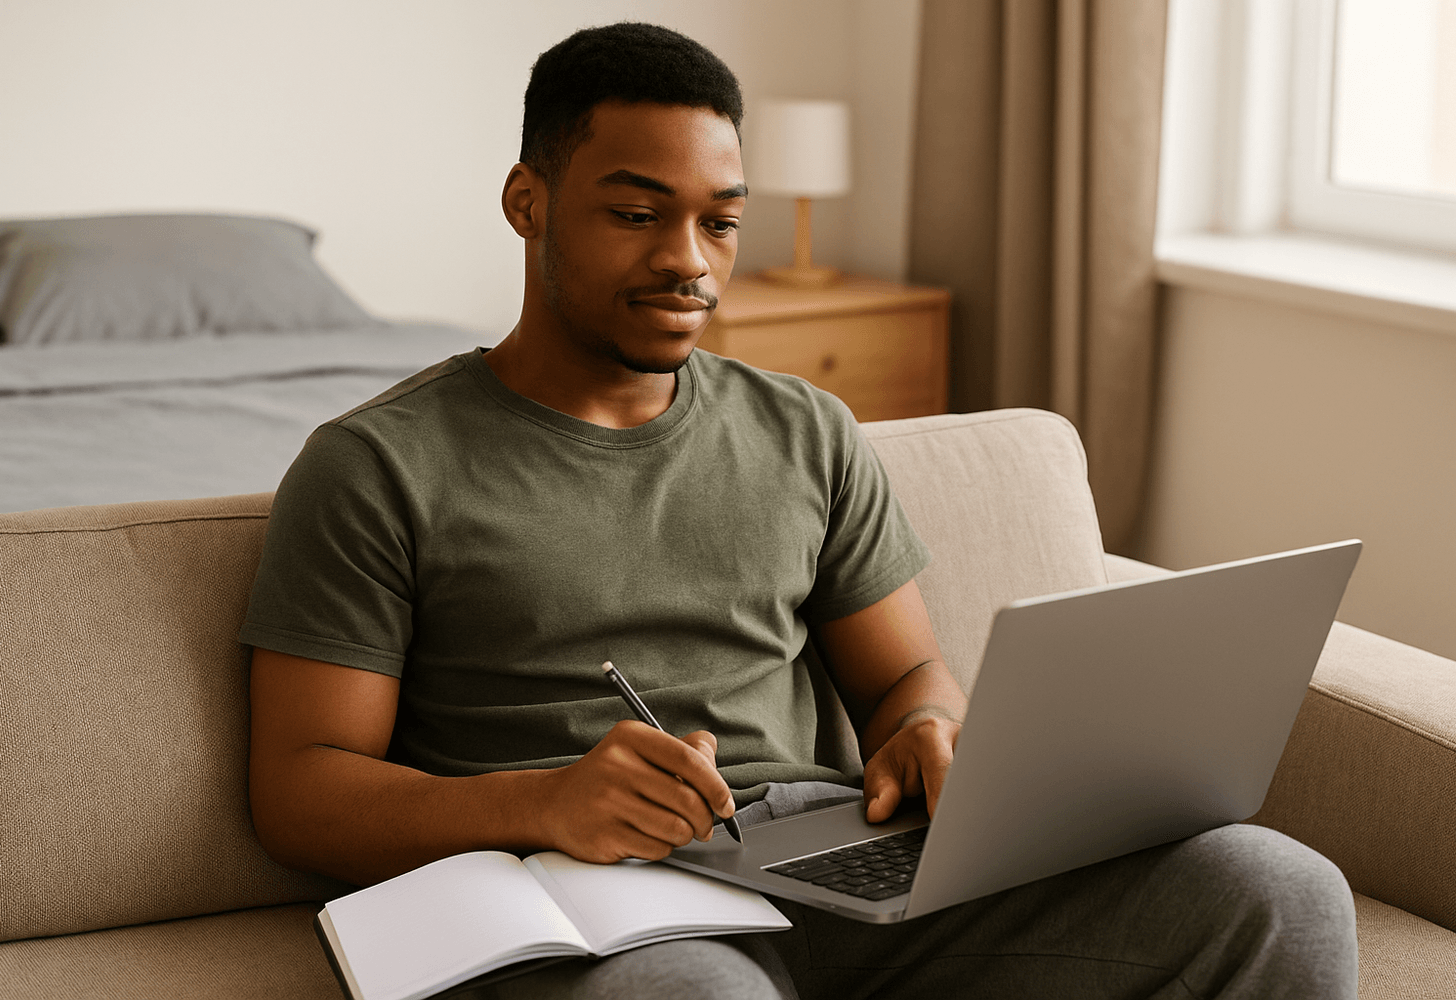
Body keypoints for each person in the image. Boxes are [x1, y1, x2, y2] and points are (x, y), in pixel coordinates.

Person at [242, 22, 1358, 1000]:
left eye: (720, 223)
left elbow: (902, 676)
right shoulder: (376, 466)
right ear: (527, 203)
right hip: (586, 904)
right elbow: (302, 791)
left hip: (829, 871)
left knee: (1277, 891)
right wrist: (545, 803)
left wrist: (927, 728)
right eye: (636, 213)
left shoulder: (805, 431)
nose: (689, 261)